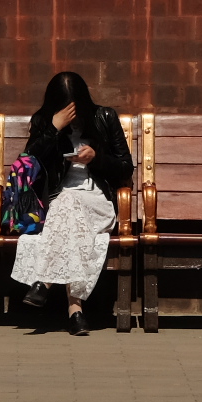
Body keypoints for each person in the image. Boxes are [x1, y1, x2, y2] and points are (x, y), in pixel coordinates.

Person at [9, 71, 135, 335]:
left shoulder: (105, 117)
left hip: (98, 199)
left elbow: (125, 167)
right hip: (59, 201)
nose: (71, 112)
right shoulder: (44, 120)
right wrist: (52, 129)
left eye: (74, 106)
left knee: (68, 205)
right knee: (68, 210)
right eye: (64, 106)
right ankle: (75, 311)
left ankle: (44, 282)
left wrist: (97, 158)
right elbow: (29, 163)